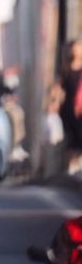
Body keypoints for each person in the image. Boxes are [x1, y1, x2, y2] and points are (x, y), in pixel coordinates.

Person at [58, 39, 82, 174]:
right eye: (75, 48)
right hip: (68, 108)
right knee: (71, 137)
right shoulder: (66, 68)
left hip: (80, 107)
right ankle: (72, 165)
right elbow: (59, 87)